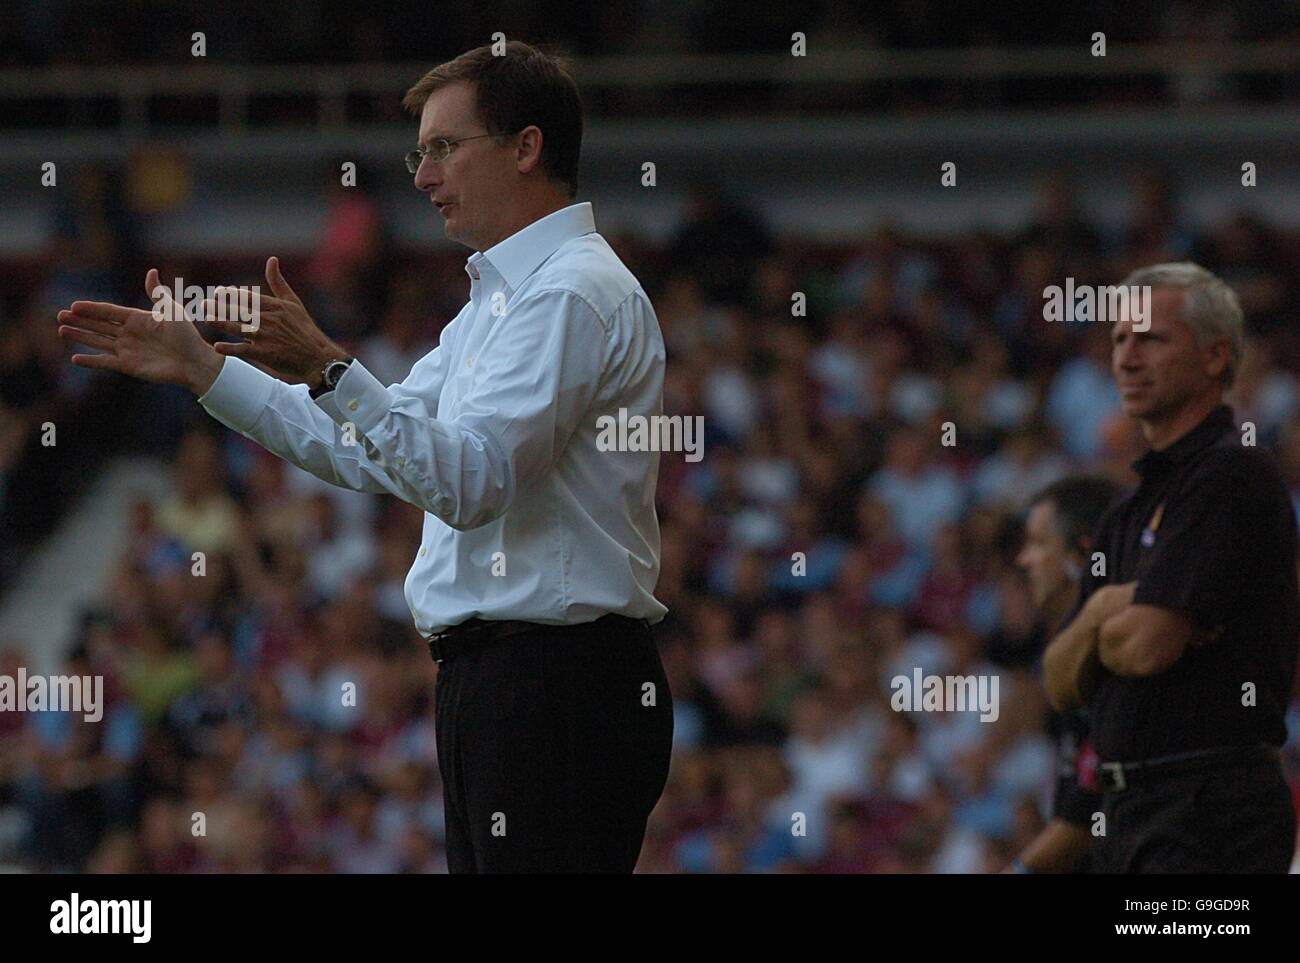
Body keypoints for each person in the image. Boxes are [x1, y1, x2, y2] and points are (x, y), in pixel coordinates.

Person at [55, 41, 674, 874]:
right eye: (420, 152)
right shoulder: (504, 300)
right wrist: (206, 368)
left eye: (445, 147)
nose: (422, 175)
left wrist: (330, 367)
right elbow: (365, 447)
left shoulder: (568, 292)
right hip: (509, 686)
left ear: (527, 147)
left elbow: (471, 483)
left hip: (551, 682)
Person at [1042, 263, 1299, 873]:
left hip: (1208, 812)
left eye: (1150, 339)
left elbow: (1148, 649)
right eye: (1119, 341)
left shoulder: (1232, 474)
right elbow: (1058, 680)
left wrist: (1103, 634)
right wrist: (1110, 608)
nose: (1127, 359)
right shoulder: (1127, 509)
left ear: (1215, 358)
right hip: (1130, 812)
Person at [1007, 476, 1119, 873]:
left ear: (1082, 552)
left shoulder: (1112, 652)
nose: (1024, 560)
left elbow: (1086, 813)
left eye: (1038, 543)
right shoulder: (1065, 643)